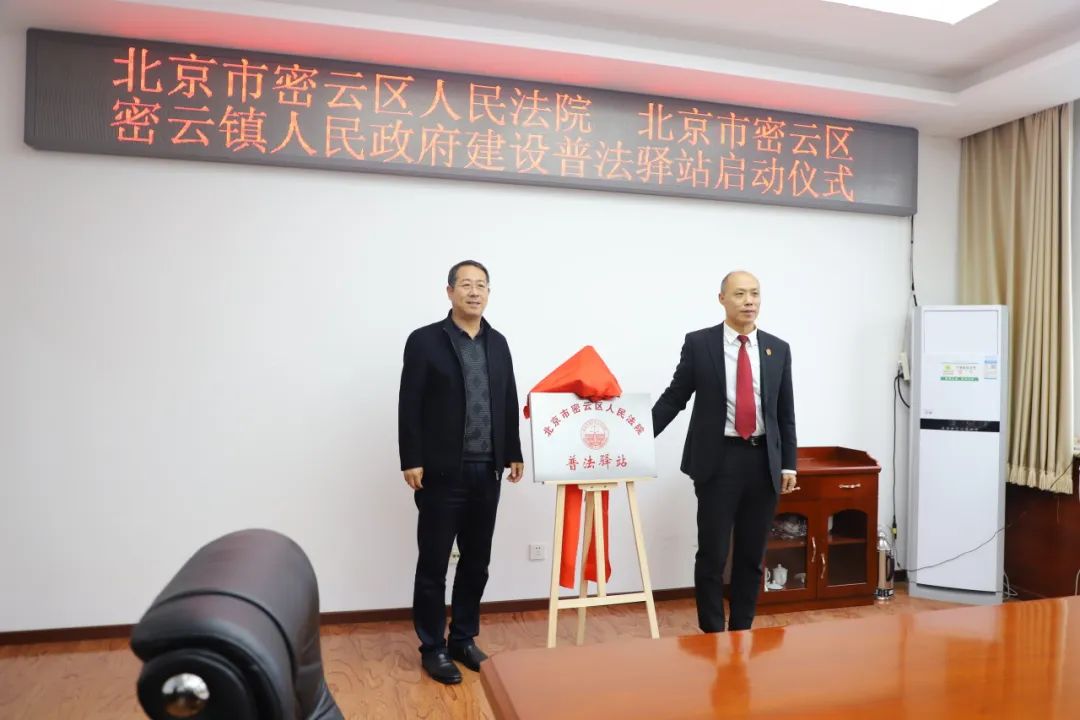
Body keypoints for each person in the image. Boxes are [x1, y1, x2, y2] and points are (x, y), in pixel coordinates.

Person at [398, 260, 524, 684]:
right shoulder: (425, 341)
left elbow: (508, 398)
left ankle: (463, 638)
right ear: (449, 291)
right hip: (441, 472)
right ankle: (432, 647)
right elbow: (409, 402)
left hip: (487, 470)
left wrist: (513, 451)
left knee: (477, 561)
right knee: (434, 563)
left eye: (481, 285)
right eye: (466, 285)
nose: (474, 292)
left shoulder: (498, 342)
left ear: (488, 293)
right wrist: (411, 458)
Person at [652, 270, 797, 633]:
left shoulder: (777, 349)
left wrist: (789, 465)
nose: (749, 301)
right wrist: (637, 435)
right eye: (740, 294)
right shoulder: (700, 344)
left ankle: (742, 629)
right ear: (722, 299)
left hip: (763, 461)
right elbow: (675, 397)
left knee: (752, 555)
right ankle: (713, 632)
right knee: (713, 554)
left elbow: (785, 413)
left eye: (755, 294)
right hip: (718, 461)